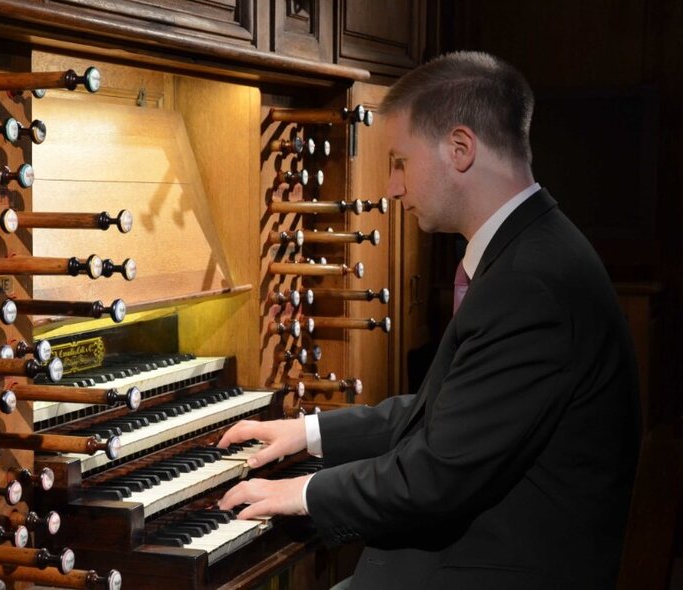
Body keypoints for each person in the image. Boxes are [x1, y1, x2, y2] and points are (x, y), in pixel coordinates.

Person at [218, 51, 641, 589]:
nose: (392, 188)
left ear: (460, 149)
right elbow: (443, 416)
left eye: (399, 161)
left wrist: (298, 493)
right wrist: (307, 431)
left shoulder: (531, 282)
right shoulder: (530, 251)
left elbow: (439, 472)